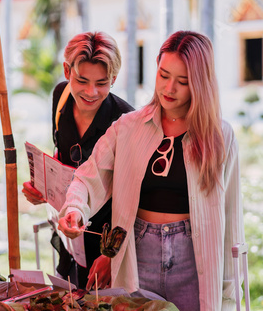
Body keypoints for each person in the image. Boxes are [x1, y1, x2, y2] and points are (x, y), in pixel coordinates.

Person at [57, 31, 245, 311]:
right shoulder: (128, 126)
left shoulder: (220, 137)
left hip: (193, 261)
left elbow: (230, 220)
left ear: (200, 83)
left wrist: (230, 297)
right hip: (137, 253)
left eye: (182, 81)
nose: (169, 88)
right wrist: (75, 209)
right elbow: (89, 175)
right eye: (163, 75)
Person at [22, 31, 134, 289]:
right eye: (81, 80)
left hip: (105, 242)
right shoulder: (60, 96)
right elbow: (62, 157)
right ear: (66, 71)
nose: (91, 92)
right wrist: (44, 188)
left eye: (102, 83)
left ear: (114, 79)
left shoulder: (126, 121)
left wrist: (111, 254)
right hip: (68, 230)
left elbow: (133, 197)